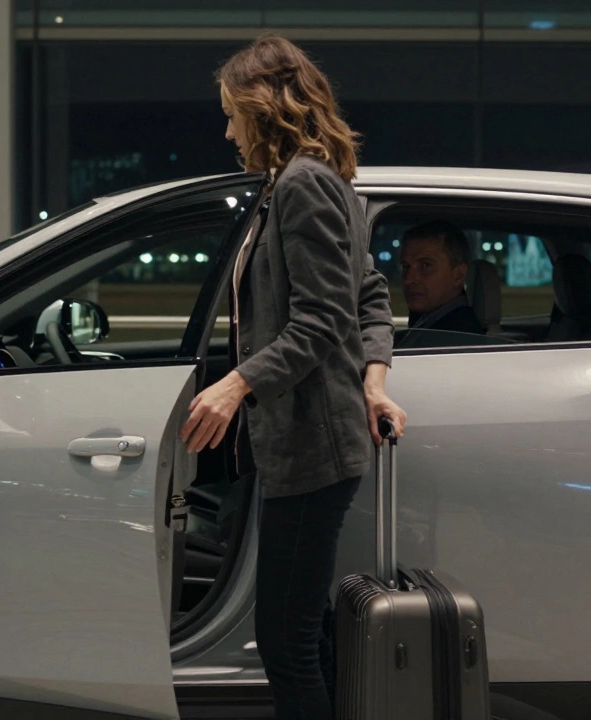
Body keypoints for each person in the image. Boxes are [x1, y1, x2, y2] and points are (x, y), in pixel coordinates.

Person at [178, 34, 407, 720]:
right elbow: (368, 296)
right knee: (294, 636)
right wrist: (373, 378)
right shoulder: (322, 180)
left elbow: (320, 320)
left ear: (263, 107)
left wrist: (237, 383)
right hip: (314, 441)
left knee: (286, 642)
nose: (226, 130)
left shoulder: (305, 184)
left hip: (313, 447)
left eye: (231, 113)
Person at [400, 219, 485, 334]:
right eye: (405, 266)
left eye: (426, 265)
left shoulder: (457, 336)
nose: (409, 279)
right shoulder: (427, 319)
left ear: (458, 275)